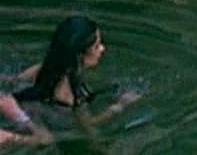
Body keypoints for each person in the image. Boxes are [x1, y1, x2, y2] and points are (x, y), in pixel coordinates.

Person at [3, 16, 140, 144]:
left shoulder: (45, 68)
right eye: (96, 46)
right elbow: (88, 125)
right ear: (80, 55)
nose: (102, 49)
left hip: (20, 107)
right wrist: (120, 105)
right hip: (30, 118)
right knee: (46, 140)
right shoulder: (72, 91)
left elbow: (14, 81)